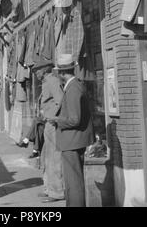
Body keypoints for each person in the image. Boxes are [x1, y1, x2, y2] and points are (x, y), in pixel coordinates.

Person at [51, 53, 95, 207]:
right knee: (72, 181)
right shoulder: (73, 86)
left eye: (58, 72)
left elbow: (74, 119)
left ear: (61, 73)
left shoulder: (73, 88)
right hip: (74, 140)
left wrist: (56, 120)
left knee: (73, 182)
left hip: (72, 141)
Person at [35, 62, 64, 203]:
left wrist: (55, 118)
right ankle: (48, 188)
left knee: (54, 157)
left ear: (44, 69)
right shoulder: (47, 81)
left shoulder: (52, 81)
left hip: (53, 124)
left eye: (37, 70)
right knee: (47, 157)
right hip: (47, 123)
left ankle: (57, 191)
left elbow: (61, 101)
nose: (35, 73)